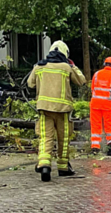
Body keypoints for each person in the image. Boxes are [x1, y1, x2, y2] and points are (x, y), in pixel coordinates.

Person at [27, 41, 86, 182]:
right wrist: (73, 66)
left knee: (45, 137)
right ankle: (63, 167)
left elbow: (30, 84)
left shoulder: (39, 66)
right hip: (63, 109)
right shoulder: (66, 67)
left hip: (44, 108)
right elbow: (81, 81)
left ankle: (44, 165)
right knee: (63, 138)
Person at [90, 56, 111, 155]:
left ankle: (95, 147)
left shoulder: (96, 74)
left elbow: (93, 89)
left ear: (104, 64)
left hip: (95, 104)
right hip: (109, 105)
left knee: (95, 125)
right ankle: (110, 146)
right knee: (109, 126)